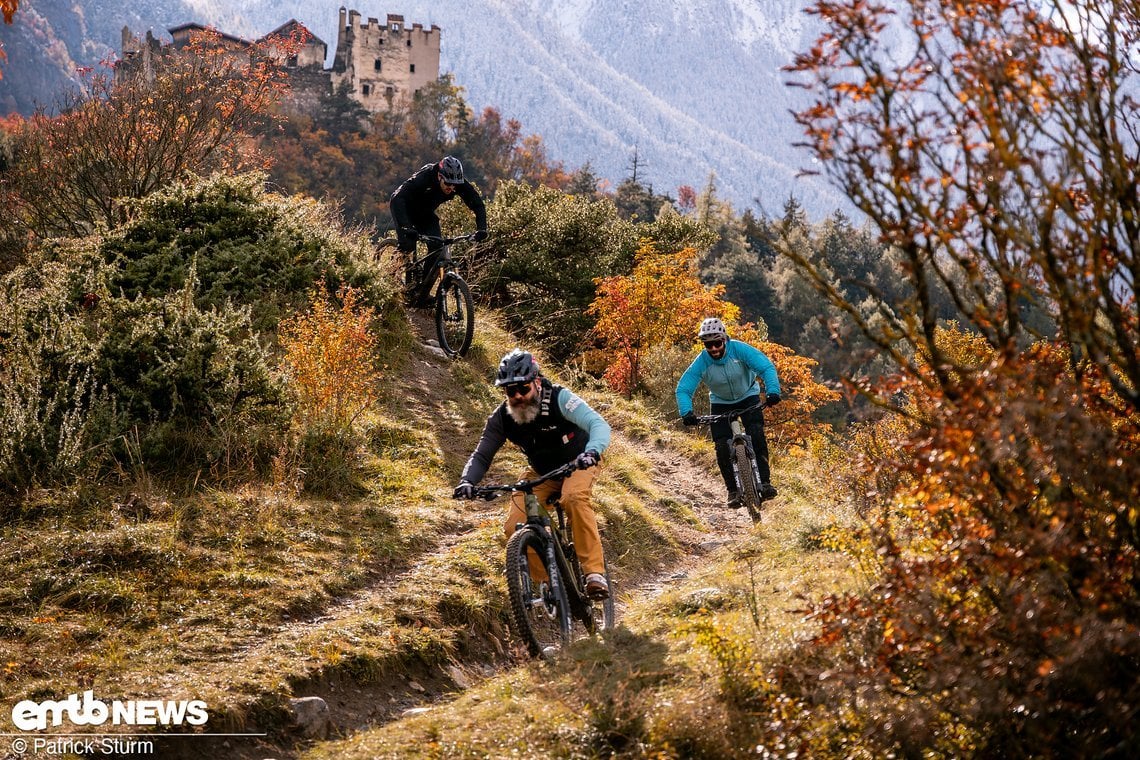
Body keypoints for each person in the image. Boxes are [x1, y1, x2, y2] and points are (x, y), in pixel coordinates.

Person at [453, 349, 612, 599]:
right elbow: (482, 454)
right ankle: (550, 584)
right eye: (509, 391)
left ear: (536, 382)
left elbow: (598, 424)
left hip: (579, 461)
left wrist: (592, 452)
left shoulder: (560, 398)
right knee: (513, 525)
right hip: (543, 472)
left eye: (523, 388)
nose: (517, 396)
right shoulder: (503, 418)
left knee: (573, 498)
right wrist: (467, 481)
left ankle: (594, 573)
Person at [675, 317, 782, 508]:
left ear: (725, 339)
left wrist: (773, 391)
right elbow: (683, 388)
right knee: (721, 446)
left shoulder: (740, 350)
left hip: (748, 395)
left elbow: (766, 367)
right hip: (720, 403)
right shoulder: (702, 361)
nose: (714, 349)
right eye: (709, 345)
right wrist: (687, 412)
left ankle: (765, 483)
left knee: (756, 434)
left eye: (717, 343)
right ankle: (732, 491)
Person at [389, 155, 488, 306]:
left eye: (455, 184)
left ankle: (420, 293)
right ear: (439, 176)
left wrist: (482, 229)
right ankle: (391, 277)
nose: (452, 188)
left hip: (425, 214)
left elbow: (478, 205)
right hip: (404, 209)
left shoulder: (457, 182)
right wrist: (406, 227)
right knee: (408, 245)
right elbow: (397, 198)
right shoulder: (424, 177)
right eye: (448, 184)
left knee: (437, 248)